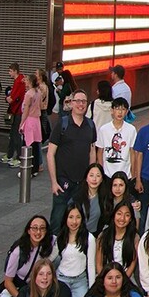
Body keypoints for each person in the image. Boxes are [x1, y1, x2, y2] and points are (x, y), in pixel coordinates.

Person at [47, 89, 98, 233]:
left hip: (82, 183)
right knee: (57, 219)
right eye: (77, 101)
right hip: (63, 182)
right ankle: (52, 250)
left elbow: (92, 151)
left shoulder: (90, 125)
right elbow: (50, 154)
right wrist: (54, 182)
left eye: (84, 101)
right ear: (72, 103)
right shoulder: (62, 124)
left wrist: (91, 177)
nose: (81, 104)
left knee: (79, 220)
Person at [56, 204, 96, 297]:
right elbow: (52, 258)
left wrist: (92, 291)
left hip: (80, 280)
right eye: (71, 217)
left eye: (78, 217)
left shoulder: (89, 238)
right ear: (65, 219)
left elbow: (91, 265)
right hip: (62, 279)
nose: (74, 221)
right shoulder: (60, 236)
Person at [97, 97, 136, 179]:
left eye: (123, 109)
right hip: (107, 174)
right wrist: (101, 172)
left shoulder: (131, 129)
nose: (120, 112)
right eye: (117, 108)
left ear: (126, 112)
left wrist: (133, 173)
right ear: (112, 110)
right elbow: (100, 152)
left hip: (126, 174)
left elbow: (132, 152)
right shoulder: (104, 129)